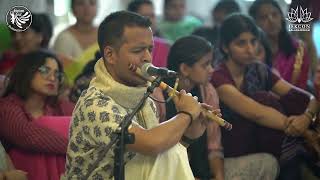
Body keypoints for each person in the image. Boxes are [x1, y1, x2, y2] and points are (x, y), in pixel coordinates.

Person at [63, 11, 216, 179]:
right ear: (110, 55)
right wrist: (186, 114)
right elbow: (151, 144)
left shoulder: (144, 95)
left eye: (150, 49)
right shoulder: (95, 104)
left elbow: (157, 159)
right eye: (138, 51)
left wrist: (188, 135)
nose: (148, 58)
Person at [153, 35, 279, 180]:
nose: (212, 70)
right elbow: (158, 153)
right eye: (205, 64)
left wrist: (219, 177)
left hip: (202, 169)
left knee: (267, 163)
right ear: (185, 69)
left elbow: (214, 147)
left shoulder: (207, 91)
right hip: (168, 172)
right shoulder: (158, 95)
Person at [210, 13, 319, 180]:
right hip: (232, 149)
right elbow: (256, 112)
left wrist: (306, 117)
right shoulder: (217, 77)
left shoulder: (258, 69)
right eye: (241, 43)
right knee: (264, 99)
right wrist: (303, 131)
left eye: (253, 41)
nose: (250, 49)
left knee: (288, 104)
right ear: (225, 47)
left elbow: (307, 99)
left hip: (265, 143)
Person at [0, 50, 73, 180]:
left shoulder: (60, 106)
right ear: (27, 70)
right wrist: (77, 147)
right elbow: (27, 136)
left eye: (57, 74)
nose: (52, 78)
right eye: (45, 70)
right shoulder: (6, 106)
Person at [249, 0, 311, 90]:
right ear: (254, 23)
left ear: (282, 16)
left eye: (275, 14)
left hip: (296, 99)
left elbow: (302, 85)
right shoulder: (251, 51)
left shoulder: (298, 48)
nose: (271, 20)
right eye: (263, 17)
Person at [127, 0, 170, 67]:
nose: (150, 20)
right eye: (145, 16)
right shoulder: (124, 45)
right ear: (131, 20)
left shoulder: (164, 46)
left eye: (152, 16)